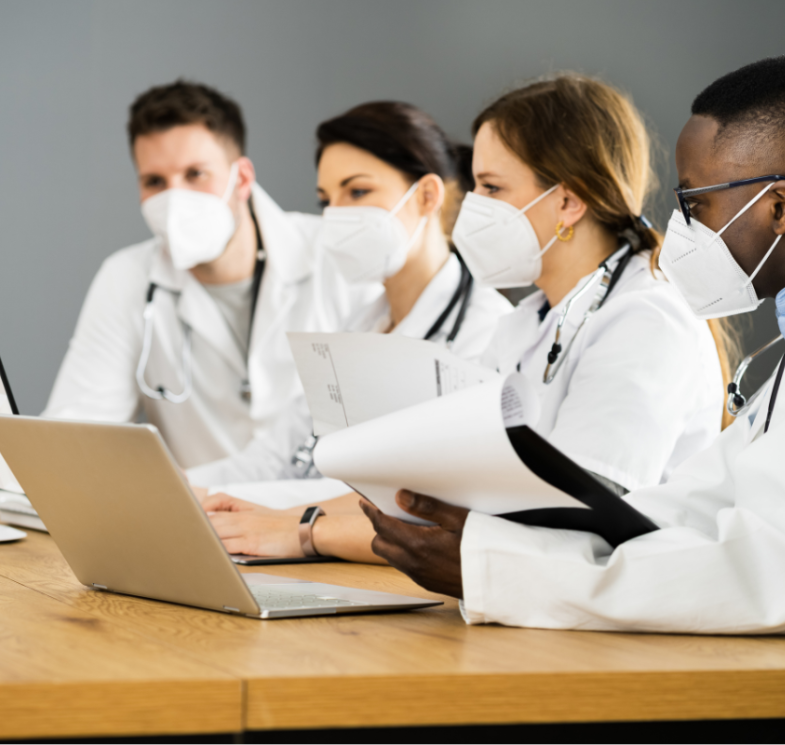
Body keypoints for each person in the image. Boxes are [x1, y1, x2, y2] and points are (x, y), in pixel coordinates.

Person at [364, 55, 785, 641]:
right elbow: (695, 504)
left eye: (696, 204)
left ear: (780, 207)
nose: (683, 227)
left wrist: (498, 568)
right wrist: (500, 542)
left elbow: (784, 573)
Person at [206, 75, 734, 563]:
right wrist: (280, 519)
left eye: (492, 188)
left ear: (568, 201)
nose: (471, 206)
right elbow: (430, 490)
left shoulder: (645, 320)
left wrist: (306, 533)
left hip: (621, 617)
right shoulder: (526, 324)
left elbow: (568, 525)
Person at [185, 101, 511, 489]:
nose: (335, 216)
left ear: (426, 196)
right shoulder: (360, 325)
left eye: (357, 191)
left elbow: (423, 495)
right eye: (326, 200)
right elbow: (273, 458)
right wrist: (170, 488)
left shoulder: (487, 329)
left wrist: (283, 517)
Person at [44, 81, 363, 470]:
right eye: (154, 182)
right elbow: (75, 436)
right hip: (201, 519)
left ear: (242, 179)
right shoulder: (127, 277)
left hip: (317, 520)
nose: (174, 199)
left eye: (196, 174)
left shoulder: (335, 257)